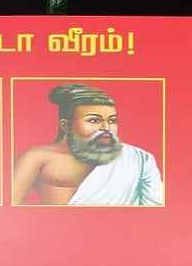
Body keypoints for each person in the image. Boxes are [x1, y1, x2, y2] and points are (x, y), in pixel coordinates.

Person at [13, 82, 163, 205]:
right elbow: (10, 209)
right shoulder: (35, 158)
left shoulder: (140, 159)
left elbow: (155, 209)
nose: (106, 128)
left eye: (112, 121)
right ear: (66, 126)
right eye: (94, 120)